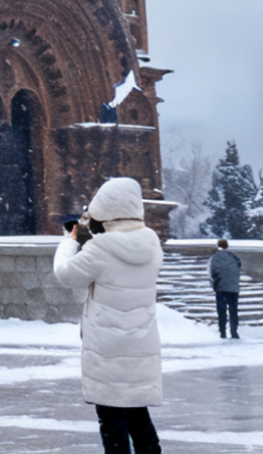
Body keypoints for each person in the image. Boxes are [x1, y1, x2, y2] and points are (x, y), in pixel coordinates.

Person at [54, 176, 164, 454]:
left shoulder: (100, 249)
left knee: (112, 419)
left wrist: (69, 242)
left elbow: (66, 275)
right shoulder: (151, 243)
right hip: (141, 344)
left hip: (108, 348)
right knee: (138, 415)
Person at [210, 238, 242, 339]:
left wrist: (215, 284)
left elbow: (212, 272)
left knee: (222, 311)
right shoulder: (233, 256)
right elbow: (239, 266)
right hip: (233, 288)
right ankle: (234, 331)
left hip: (221, 288)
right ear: (227, 246)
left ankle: (222, 331)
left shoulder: (215, 257)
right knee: (233, 310)